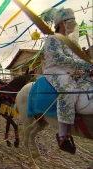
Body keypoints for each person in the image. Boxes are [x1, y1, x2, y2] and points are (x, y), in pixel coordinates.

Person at [42, 7, 92, 153]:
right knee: (69, 91)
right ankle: (63, 133)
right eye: (70, 21)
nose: (73, 24)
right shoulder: (52, 39)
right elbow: (60, 59)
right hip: (55, 71)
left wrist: (88, 69)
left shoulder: (72, 42)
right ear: (62, 23)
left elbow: (78, 59)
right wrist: (86, 64)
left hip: (74, 70)